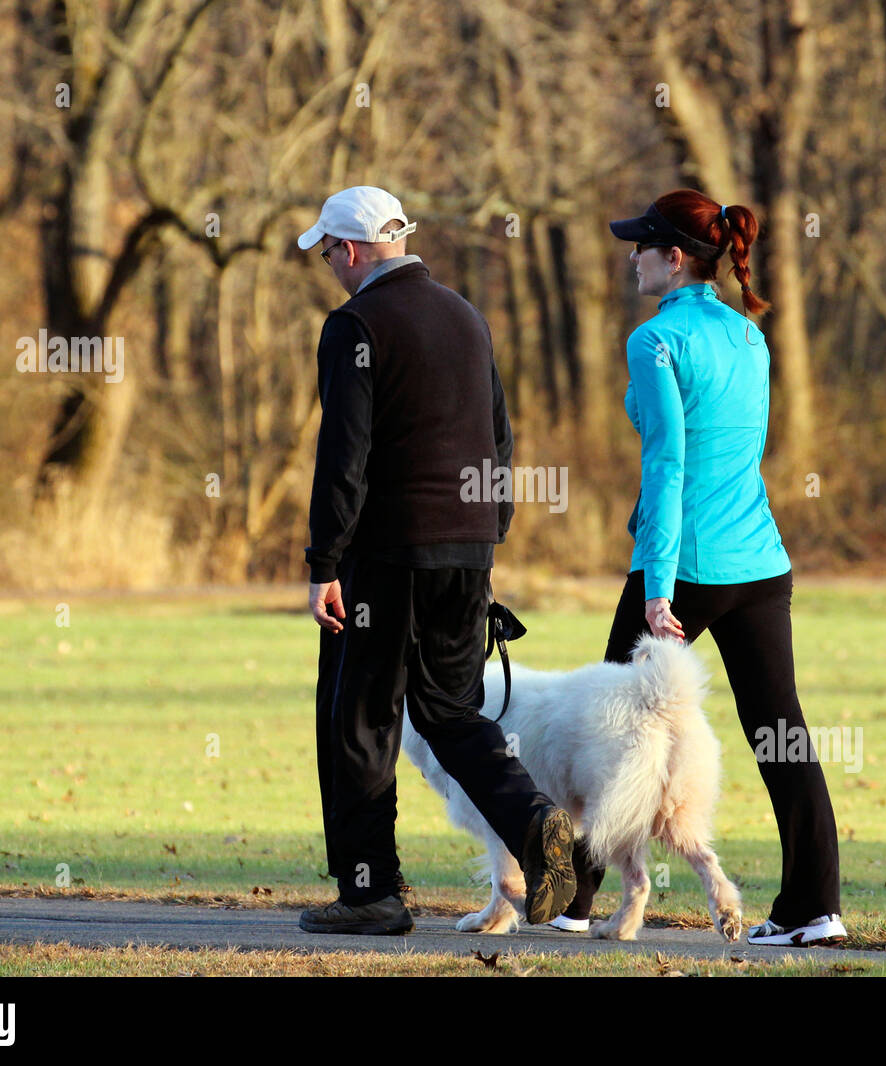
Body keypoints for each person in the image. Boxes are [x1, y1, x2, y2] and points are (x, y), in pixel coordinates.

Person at [553, 189, 845, 946]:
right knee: (780, 730)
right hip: (759, 563)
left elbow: (669, 465)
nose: (632, 258)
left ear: (674, 258)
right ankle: (816, 909)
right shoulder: (751, 337)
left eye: (641, 246)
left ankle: (574, 900)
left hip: (682, 565)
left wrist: (656, 588)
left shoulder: (654, 342)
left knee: (603, 722)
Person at [296, 186, 576, 936]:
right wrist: (491, 527)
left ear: (351, 250)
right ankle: (535, 819)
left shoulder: (355, 324)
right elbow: (499, 432)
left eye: (326, 250)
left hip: (387, 556)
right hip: (467, 548)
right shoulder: (464, 315)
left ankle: (372, 893)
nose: (326, 263)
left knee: (358, 718)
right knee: (451, 712)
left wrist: (323, 562)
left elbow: (343, 458)